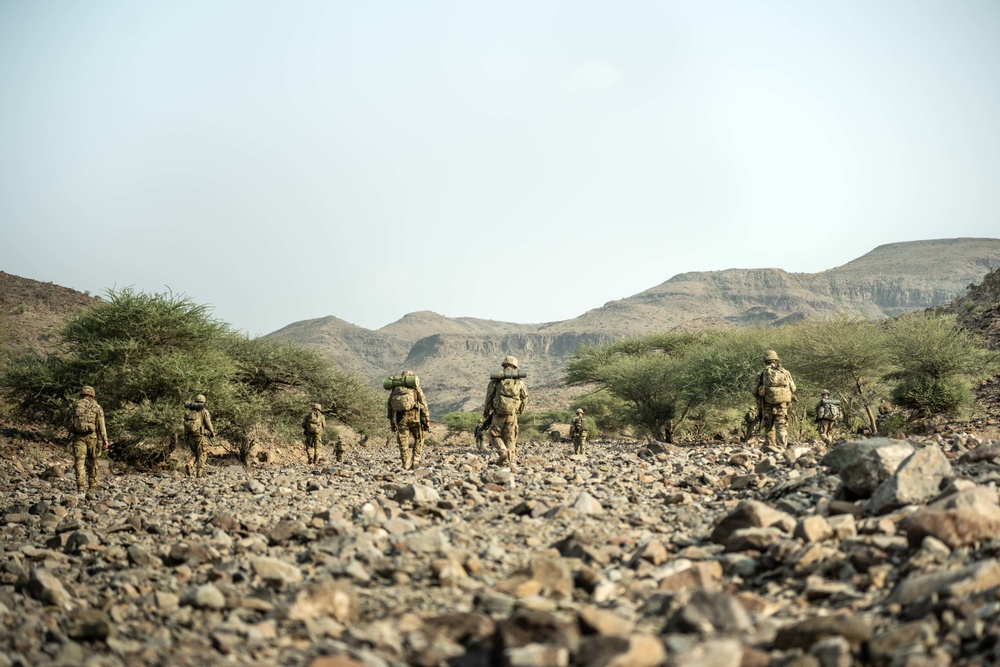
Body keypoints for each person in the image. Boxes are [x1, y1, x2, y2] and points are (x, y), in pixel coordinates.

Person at [483, 355, 529, 470]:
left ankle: (503, 452)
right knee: (510, 437)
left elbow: (489, 396)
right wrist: (520, 410)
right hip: (512, 415)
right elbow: (525, 397)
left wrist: (487, 410)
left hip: (498, 413)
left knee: (494, 434)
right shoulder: (519, 382)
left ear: (503, 366)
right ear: (515, 367)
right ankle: (509, 462)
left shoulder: (497, 381)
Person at [67, 385, 109, 491]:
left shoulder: (75, 405)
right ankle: (92, 486)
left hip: (78, 437)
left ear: (82, 394)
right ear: (92, 395)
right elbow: (101, 425)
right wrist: (105, 439)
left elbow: (66, 421)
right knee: (93, 461)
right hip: (92, 437)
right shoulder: (97, 407)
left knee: (79, 461)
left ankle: (81, 486)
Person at [753, 350, 796, 451]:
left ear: (764, 361)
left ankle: (770, 447)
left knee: (769, 427)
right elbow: (793, 388)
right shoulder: (785, 372)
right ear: (776, 360)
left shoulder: (761, 373)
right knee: (781, 427)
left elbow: (754, 391)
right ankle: (782, 447)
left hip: (767, 405)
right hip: (782, 405)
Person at [387, 370, 430, 470]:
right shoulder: (415, 388)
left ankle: (405, 464)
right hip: (415, 418)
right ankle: (415, 460)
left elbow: (390, 406)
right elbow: (423, 403)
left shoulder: (395, 389)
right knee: (419, 438)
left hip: (401, 419)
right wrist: (427, 419)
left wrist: (392, 422)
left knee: (403, 442)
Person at [183, 394, 215, 477]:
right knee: (202, 454)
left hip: (190, 435)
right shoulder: (204, 411)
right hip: (200, 436)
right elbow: (208, 423)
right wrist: (212, 432)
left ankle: (190, 464)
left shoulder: (189, 411)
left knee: (195, 453)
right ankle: (199, 473)